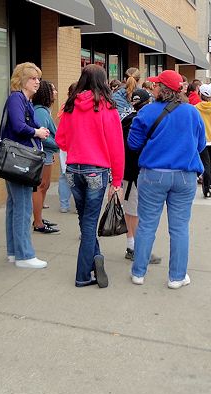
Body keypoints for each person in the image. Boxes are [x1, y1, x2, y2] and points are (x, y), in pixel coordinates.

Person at [128, 70, 206, 289]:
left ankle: (138, 272)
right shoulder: (192, 112)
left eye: (155, 85)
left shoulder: (146, 112)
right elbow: (200, 145)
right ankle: (177, 277)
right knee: (180, 228)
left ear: (162, 89)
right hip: (184, 176)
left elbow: (133, 144)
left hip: (153, 175)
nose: (152, 88)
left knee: (146, 225)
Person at [56, 64, 124, 288]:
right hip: (97, 169)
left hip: (74, 169)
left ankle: (96, 259)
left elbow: (61, 141)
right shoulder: (108, 108)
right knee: (89, 224)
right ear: (103, 81)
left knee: (85, 221)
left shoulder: (70, 106)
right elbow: (116, 147)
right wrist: (117, 181)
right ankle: (83, 274)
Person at [0, 62, 50, 269]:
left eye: (38, 78)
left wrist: (39, 130)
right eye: (32, 78)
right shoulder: (17, 98)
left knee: (14, 206)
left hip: (17, 161)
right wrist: (37, 132)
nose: (37, 82)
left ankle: (14, 251)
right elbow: (19, 126)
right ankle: (24, 255)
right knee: (22, 207)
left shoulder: (22, 99)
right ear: (21, 80)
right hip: (20, 162)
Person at [121, 89, 161, 264]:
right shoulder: (143, 122)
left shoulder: (125, 120)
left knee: (130, 211)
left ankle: (132, 245)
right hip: (138, 173)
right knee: (137, 212)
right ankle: (139, 249)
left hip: (126, 171)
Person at [32, 80, 60, 234]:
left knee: (44, 185)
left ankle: (39, 218)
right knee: (41, 186)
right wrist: (57, 143)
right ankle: (38, 222)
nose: (55, 92)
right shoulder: (41, 112)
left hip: (47, 154)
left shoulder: (44, 110)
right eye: (53, 90)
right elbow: (42, 135)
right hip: (43, 155)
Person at [57, 82, 77, 213]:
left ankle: (64, 205)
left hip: (65, 146)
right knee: (78, 177)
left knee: (64, 176)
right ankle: (78, 205)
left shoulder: (65, 107)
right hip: (77, 146)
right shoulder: (82, 107)